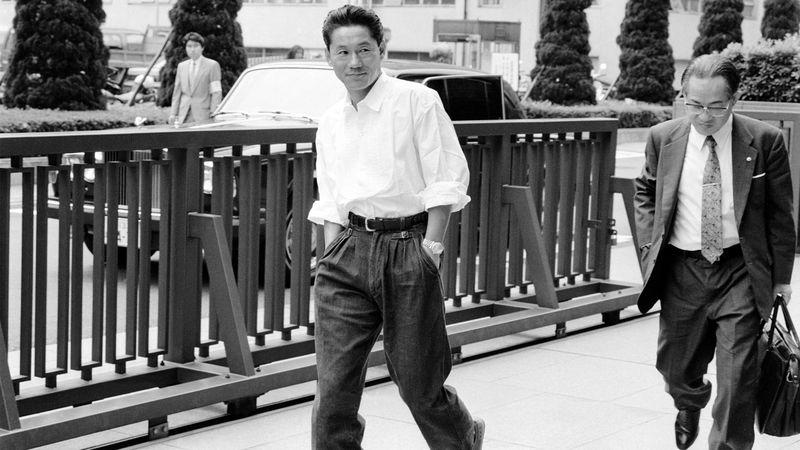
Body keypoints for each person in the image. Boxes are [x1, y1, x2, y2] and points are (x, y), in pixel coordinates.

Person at [307, 5, 484, 449]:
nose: (355, 62)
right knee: (333, 390)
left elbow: (445, 179)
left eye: (364, 49)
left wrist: (431, 249)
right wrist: (331, 253)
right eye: (343, 52)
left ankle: (463, 438)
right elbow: (330, 197)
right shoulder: (330, 121)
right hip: (346, 251)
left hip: (408, 247)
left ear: (381, 49)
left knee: (418, 383)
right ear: (328, 56)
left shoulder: (416, 101)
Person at [634, 53, 795, 450]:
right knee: (674, 367)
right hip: (682, 268)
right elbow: (646, 191)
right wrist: (648, 248)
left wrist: (781, 279)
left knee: (739, 376)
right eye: (694, 105)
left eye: (716, 106)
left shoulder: (764, 140)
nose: (704, 116)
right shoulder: (662, 137)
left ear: (734, 100)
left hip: (740, 269)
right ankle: (688, 401)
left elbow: (780, 214)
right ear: (683, 97)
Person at [169, 32, 222, 125]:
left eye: (196, 46)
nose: (192, 49)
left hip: (204, 114)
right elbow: (177, 92)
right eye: (189, 46)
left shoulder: (212, 65)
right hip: (184, 115)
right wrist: (173, 113)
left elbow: (216, 92)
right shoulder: (181, 66)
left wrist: (213, 113)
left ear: (202, 47)